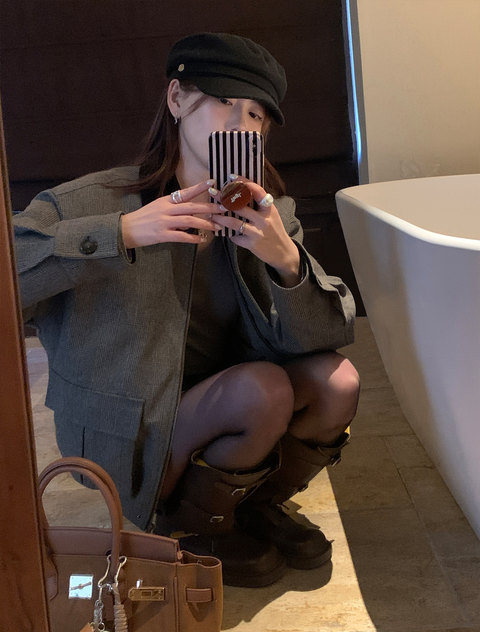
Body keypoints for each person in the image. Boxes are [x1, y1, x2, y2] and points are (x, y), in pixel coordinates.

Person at [14, 32, 360, 588]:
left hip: (230, 398)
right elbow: (13, 276)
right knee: (263, 388)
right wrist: (122, 232)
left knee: (337, 382)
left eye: (256, 114)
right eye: (224, 100)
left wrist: (286, 260)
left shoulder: (268, 214)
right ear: (177, 99)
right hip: (131, 428)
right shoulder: (88, 203)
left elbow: (321, 337)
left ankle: (249, 505)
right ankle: (199, 524)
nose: (241, 123)